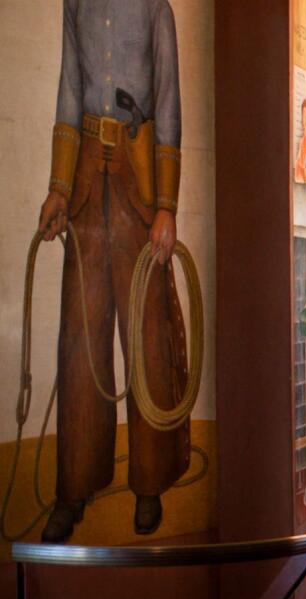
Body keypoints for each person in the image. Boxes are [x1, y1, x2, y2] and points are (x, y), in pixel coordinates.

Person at [36, 0, 190, 543]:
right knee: (80, 341)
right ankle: (73, 490)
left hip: (138, 181)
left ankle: (148, 483)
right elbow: (69, 88)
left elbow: (168, 101)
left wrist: (166, 205)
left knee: (147, 338)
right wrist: (58, 188)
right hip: (84, 181)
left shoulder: (155, 8)